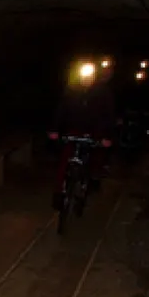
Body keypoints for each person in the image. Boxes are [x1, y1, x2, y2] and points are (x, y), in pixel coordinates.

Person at [48, 61, 118, 208]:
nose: (86, 80)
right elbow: (61, 110)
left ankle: (92, 180)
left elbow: (109, 115)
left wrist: (108, 136)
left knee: (95, 156)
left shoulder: (103, 92)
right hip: (74, 129)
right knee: (65, 158)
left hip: (94, 131)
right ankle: (59, 191)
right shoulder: (72, 90)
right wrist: (54, 129)